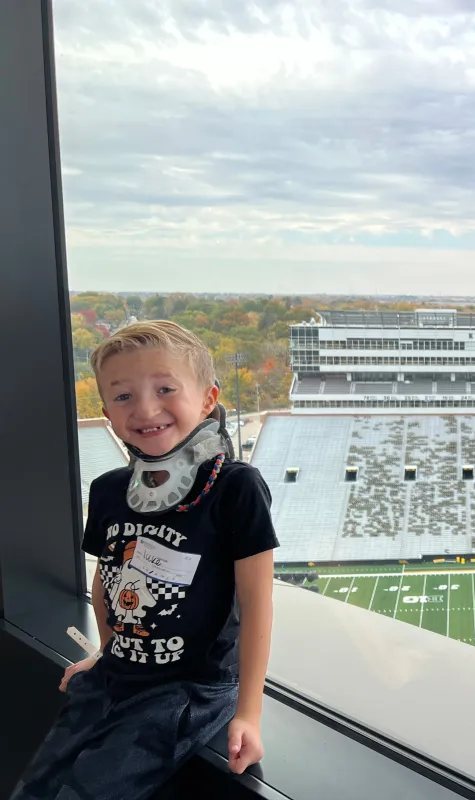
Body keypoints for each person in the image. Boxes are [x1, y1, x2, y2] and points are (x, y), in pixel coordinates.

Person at [11, 320, 279, 800]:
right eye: (123, 396)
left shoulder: (236, 488)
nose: (146, 408)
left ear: (208, 398)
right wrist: (107, 651)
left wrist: (249, 714)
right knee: (34, 786)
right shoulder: (110, 489)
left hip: (188, 691)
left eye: (165, 388)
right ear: (107, 413)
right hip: (116, 674)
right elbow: (107, 580)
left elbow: (257, 604)